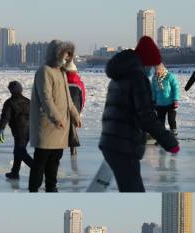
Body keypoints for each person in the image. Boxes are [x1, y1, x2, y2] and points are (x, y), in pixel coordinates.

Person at [99, 36, 180, 192]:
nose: (151, 68)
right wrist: (169, 142)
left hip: (112, 141)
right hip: (124, 144)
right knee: (133, 191)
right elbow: (147, 117)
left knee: (130, 189)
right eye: (150, 64)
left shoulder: (119, 75)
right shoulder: (137, 78)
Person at [28, 40, 82, 193]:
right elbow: (46, 99)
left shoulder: (62, 72)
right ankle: (34, 189)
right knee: (41, 160)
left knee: (55, 160)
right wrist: (56, 118)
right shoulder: (44, 71)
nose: (66, 58)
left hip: (61, 127)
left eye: (68, 55)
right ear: (56, 54)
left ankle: (51, 187)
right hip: (47, 125)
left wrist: (75, 115)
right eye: (64, 54)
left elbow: (68, 98)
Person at [0, 81, 33, 180]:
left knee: (20, 151)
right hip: (29, 130)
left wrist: (1, 129)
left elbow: (5, 117)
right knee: (17, 151)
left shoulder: (9, 102)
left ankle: (36, 168)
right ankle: (15, 172)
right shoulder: (28, 101)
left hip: (19, 130)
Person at [152, 64, 181, 137]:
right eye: (156, 71)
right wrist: (153, 101)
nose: (157, 73)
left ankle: (173, 134)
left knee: (171, 119)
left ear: (162, 69)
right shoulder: (154, 78)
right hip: (159, 103)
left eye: (158, 71)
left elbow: (176, 88)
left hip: (171, 102)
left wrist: (176, 100)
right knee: (160, 121)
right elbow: (153, 91)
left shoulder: (170, 76)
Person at [65, 59, 86, 157]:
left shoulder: (61, 82)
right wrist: (79, 111)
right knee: (73, 128)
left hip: (63, 109)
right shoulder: (79, 83)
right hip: (76, 109)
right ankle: (73, 149)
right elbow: (83, 98)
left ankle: (57, 148)